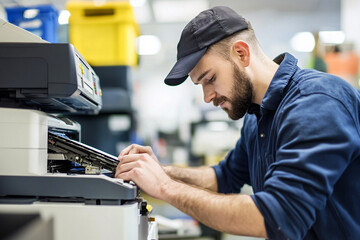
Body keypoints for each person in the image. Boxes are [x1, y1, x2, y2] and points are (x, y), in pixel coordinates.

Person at [115, 6, 360, 239]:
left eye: (210, 79)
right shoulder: (258, 117)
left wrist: (165, 186)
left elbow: (279, 216)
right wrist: (157, 170)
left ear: (241, 53)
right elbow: (225, 177)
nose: (207, 97)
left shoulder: (316, 102)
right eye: (201, 85)